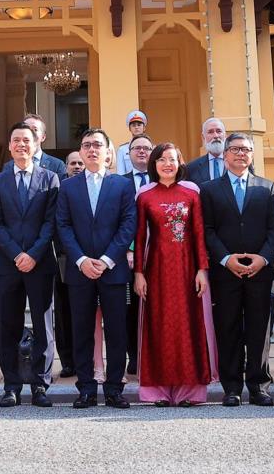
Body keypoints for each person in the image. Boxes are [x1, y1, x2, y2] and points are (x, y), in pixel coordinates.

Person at [55, 128, 137, 409]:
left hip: (113, 270)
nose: (92, 150)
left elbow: (128, 224)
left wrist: (107, 259)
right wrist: (81, 260)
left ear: (107, 152)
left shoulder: (122, 185)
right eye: (87, 145)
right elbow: (63, 225)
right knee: (81, 331)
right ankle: (86, 389)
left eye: (97, 145)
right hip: (80, 271)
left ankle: (114, 388)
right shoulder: (68, 186)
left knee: (116, 331)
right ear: (81, 150)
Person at [135, 142, 217, 406]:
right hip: (156, 270)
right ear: (154, 164)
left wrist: (202, 269)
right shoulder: (145, 195)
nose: (167, 164)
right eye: (161, 159)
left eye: (172, 159)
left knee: (188, 326)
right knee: (158, 327)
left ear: (180, 163)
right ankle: (157, 391)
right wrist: (138, 273)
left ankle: (189, 391)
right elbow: (139, 237)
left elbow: (199, 234)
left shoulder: (192, 193)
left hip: (187, 270)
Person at [0, 122, 60, 407]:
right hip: (7, 265)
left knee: (43, 325)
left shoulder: (50, 178)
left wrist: (34, 254)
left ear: (36, 143)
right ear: (9, 145)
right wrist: (17, 254)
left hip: (40, 264)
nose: (21, 145)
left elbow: (51, 222)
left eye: (26, 140)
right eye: (16, 140)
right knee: (8, 325)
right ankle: (12, 385)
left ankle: (40, 384)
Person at [202, 133, 274, 406]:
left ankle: (259, 386)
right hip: (225, 272)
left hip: (260, 271)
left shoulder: (267, 187)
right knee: (228, 328)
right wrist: (225, 259)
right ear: (225, 155)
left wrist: (264, 258)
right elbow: (207, 230)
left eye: (246, 149)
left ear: (252, 155)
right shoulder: (209, 189)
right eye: (235, 149)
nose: (240, 154)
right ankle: (231, 387)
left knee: (259, 330)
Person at [123, 133, 155, 375]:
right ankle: (134, 357)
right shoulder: (119, 182)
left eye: (146, 148)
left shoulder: (163, 179)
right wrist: (128, 248)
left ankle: (154, 355)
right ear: (129, 154)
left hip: (159, 254)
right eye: (137, 148)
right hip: (128, 256)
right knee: (130, 310)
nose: (142, 151)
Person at [51, 151, 84, 378]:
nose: (77, 166)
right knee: (63, 313)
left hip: (89, 259)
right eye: (73, 163)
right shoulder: (59, 189)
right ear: (66, 167)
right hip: (63, 258)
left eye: (80, 163)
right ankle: (67, 361)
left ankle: (85, 360)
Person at [185, 118, 228, 189]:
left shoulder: (237, 163)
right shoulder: (191, 168)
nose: (215, 136)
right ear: (203, 137)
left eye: (219, 131)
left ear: (225, 135)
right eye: (210, 132)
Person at [116, 111, 148, 176]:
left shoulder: (151, 148)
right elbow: (121, 173)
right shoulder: (122, 150)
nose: (136, 127)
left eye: (139, 125)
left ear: (144, 128)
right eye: (133, 125)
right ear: (129, 129)